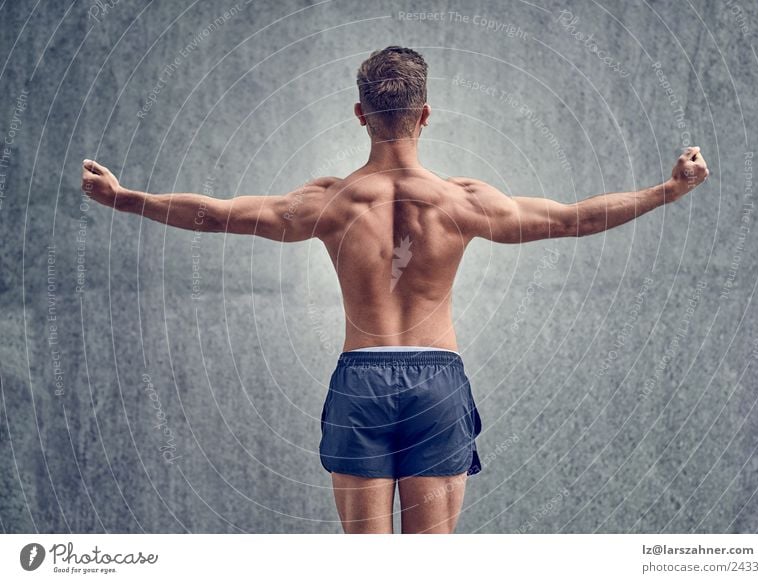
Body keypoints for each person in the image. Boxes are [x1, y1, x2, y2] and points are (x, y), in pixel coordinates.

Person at [81, 46, 709, 534]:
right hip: (437, 384)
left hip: (360, 384)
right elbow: (575, 219)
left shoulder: (328, 202)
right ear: (425, 114)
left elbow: (216, 213)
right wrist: (668, 190)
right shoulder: (463, 202)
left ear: (361, 114)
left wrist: (124, 197)